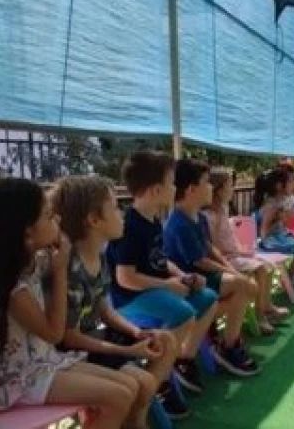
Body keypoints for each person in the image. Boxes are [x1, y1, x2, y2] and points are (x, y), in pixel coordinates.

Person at [0, 178, 136, 429]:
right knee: (118, 396)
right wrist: (61, 271)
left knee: (127, 387)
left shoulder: (34, 261)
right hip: (14, 378)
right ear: (27, 233)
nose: (57, 221)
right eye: (48, 217)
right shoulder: (13, 287)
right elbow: (55, 333)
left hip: (43, 362)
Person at [51, 175, 189, 420]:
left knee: (165, 339)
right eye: (115, 208)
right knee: (143, 382)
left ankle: (137, 415)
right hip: (76, 351)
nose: (122, 214)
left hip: (96, 339)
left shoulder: (100, 257)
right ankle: (137, 420)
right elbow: (68, 337)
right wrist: (125, 350)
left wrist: (136, 333)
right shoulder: (70, 269)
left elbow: (105, 310)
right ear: (93, 220)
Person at [105, 150, 219, 395]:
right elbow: (126, 278)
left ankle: (183, 359)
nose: (175, 187)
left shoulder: (153, 220)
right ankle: (161, 379)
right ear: (156, 190)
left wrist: (182, 276)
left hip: (153, 291)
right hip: (130, 299)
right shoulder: (130, 226)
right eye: (171, 183)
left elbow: (160, 260)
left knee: (207, 297)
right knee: (184, 313)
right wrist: (167, 286)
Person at [164, 159, 261, 376]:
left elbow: (209, 249)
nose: (211, 187)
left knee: (243, 287)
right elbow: (200, 261)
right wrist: (232, 274)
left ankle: (228, 344)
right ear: (191, 189)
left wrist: (230, 269)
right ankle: (226, 347)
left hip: (204, 279)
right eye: (207, 182)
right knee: (242, 286)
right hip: (188, 284)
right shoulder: (178, 222)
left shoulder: (197, 216)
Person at [204, 168, 290, 335]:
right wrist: (229, 259)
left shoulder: (222, 208)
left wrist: (243, 252)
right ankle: (261, 316)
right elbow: (211, 246)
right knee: (262, 269)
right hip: (226, 259)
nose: (233, 189)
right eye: (230, 185)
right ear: (219, 189)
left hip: (235, 254)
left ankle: (266, 306)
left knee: (267, 264)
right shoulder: (209, 215)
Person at [254, 168, 294, 281]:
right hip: (270, 241)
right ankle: (288, 277)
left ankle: (292, 275)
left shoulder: (280, 202)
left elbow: (285, 222)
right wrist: (279, 221)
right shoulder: (271, 205)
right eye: (290, 182)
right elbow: (262, 233)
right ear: (279, 186)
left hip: (281, 236)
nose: (293, 184)